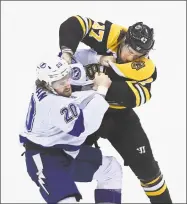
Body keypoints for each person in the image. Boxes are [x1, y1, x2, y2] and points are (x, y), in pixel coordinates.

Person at [58, 15, 172, 203]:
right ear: (125, 39)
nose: (130, 57)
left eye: (138, 55)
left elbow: (135, 97)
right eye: (129, 50)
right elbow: (74, 23)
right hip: (86, 112)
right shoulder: (114, 34)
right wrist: (67, 53)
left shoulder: (146, 68)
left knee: (148, 170)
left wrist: (104, 82)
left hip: (118, 118)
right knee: (60, 161)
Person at [19, 55, 123, 203]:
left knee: (110, 169)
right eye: (60, 83)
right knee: (68, 200)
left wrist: (98, 59)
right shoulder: (52, 103)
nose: (67, 84)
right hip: (43, 158)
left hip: (65, 151)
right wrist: (101, 89)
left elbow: (72, 98)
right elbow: (84, 126)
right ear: (47, 85)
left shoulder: (48, 88)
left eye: (67, 77)